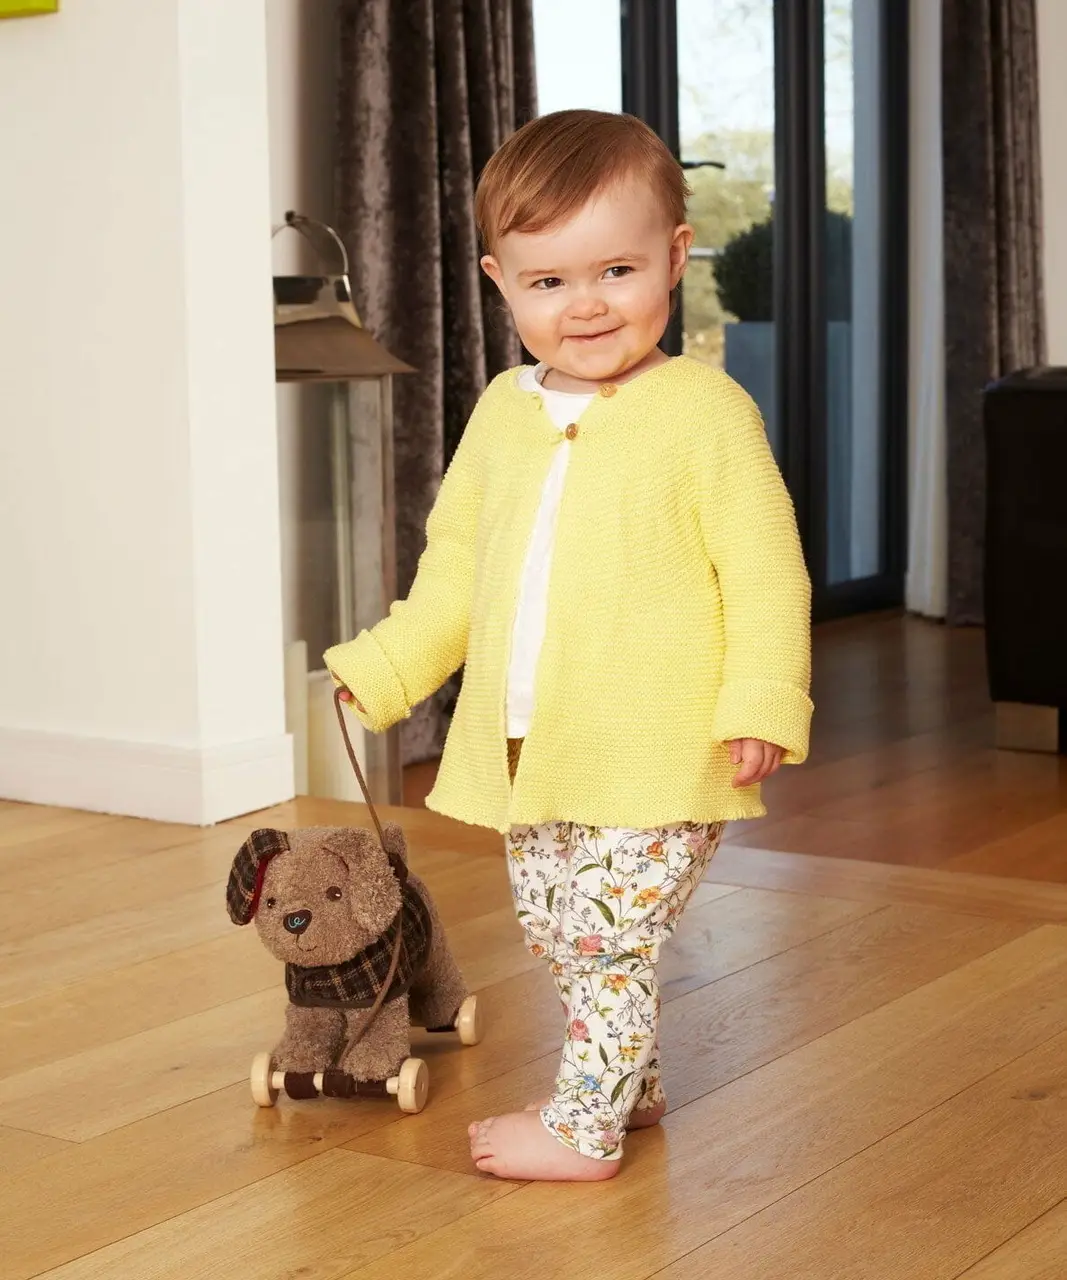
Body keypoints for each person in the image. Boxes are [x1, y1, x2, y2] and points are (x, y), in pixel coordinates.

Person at [324, 108, 812, 1183]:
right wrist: (389, 666)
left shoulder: (705, 413)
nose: (583, 305)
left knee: (604, 935)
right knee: (555, 925)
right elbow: (456, 566)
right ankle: (629, 1085)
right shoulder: (502, 412)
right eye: (548, 281)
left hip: (661, 745)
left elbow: (765, 571)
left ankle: (583, 1127)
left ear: (674, 258)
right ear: (499, 283)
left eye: (615, 271)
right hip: (532, 745)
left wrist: (763, 697)